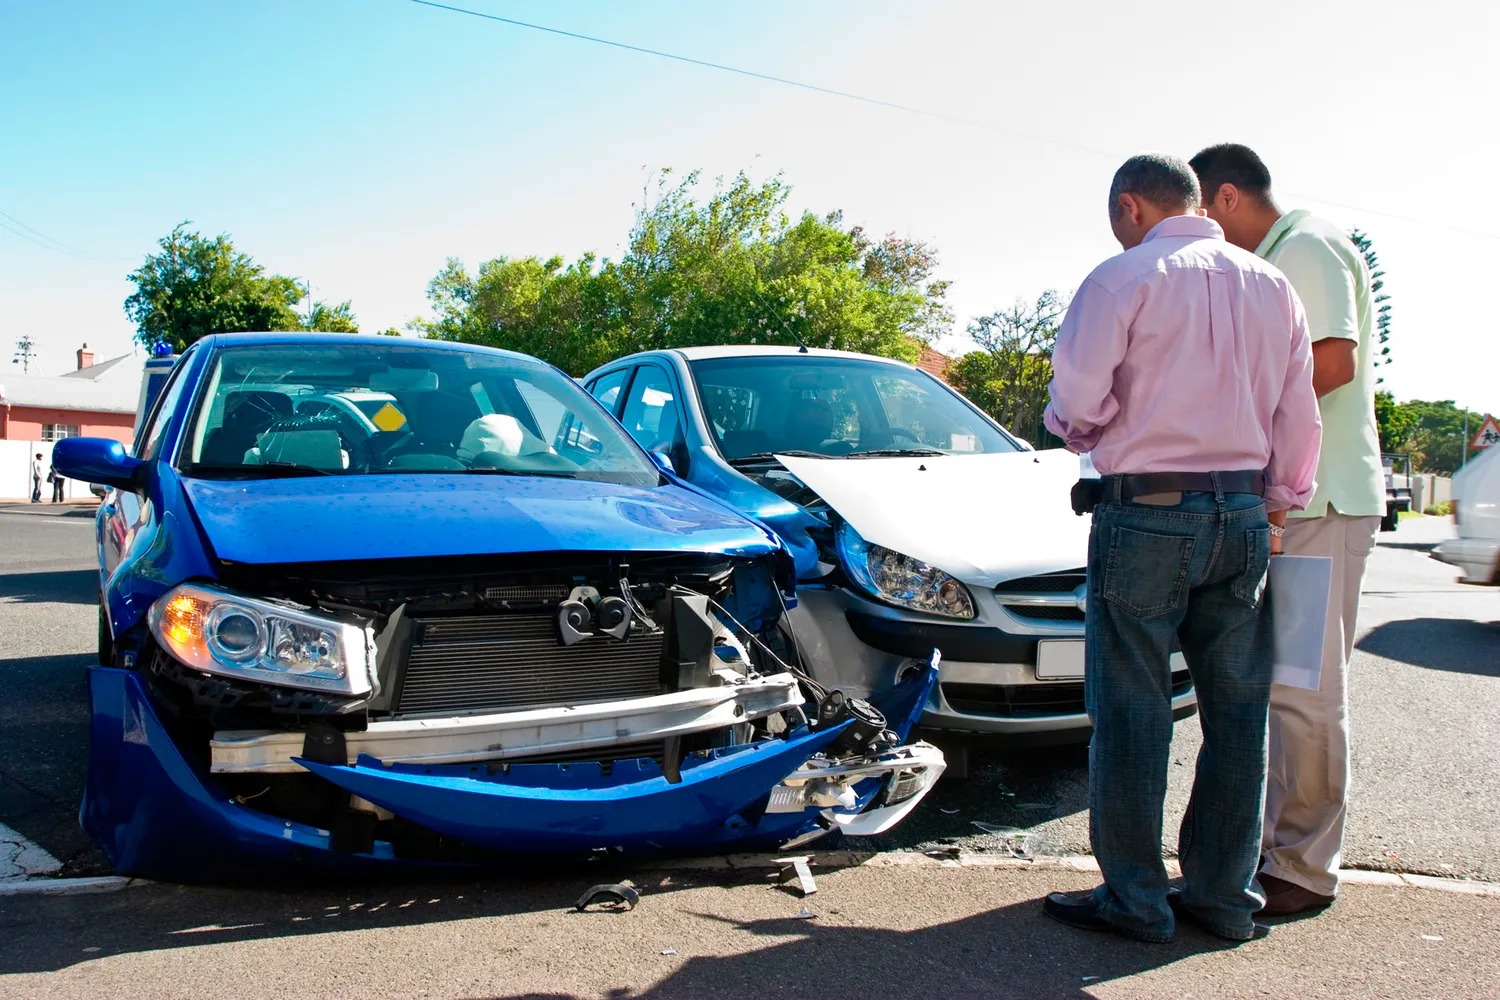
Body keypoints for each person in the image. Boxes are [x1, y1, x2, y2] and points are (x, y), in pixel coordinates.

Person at [1041, 154, 1321, 943]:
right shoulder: (1271, 285)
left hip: (1148, 513)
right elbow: (1299, 416)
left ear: (1131, 207)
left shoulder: (1122, 278)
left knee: (1132, 711)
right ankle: (1222, 897)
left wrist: (1078, 429)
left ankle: (1135, 899)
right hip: (1242, 515)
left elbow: (1079, 402)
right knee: (1237, 714)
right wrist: (1276, 503)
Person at [1191, 143, 1387, 917]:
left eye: (1202, 213)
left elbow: (1332, 361)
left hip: (1323, 503)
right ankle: (1279, 853)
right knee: (1286, 688)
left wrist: (1228, 410)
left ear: (1229, 197)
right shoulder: (1276, 254)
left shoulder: (1302, 247)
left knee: (1305, 690)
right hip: (1295, 506)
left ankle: (1303, 870)